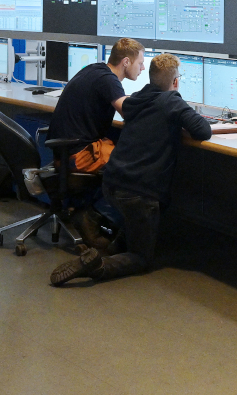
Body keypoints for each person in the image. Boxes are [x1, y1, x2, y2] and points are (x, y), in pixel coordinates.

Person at [50, 52, 211, 286]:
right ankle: (97, 267)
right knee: (141, 258)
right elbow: (203, 131)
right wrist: (177, 103)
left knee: (135, 224)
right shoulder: (172, 101)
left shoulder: (135, 98)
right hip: (140, 192)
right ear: (175, 81)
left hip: (112, 183)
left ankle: (102, 253)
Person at [49, 38, 145, 250]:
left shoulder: (95, 69)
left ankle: (88, 211)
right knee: (134, 164)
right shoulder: (108, 80)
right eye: (140, 63)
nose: (143, 67)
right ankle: (93, 216)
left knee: (120, 147)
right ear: (126, 62)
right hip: (79, 154)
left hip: (68, 149)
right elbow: (127, 111)